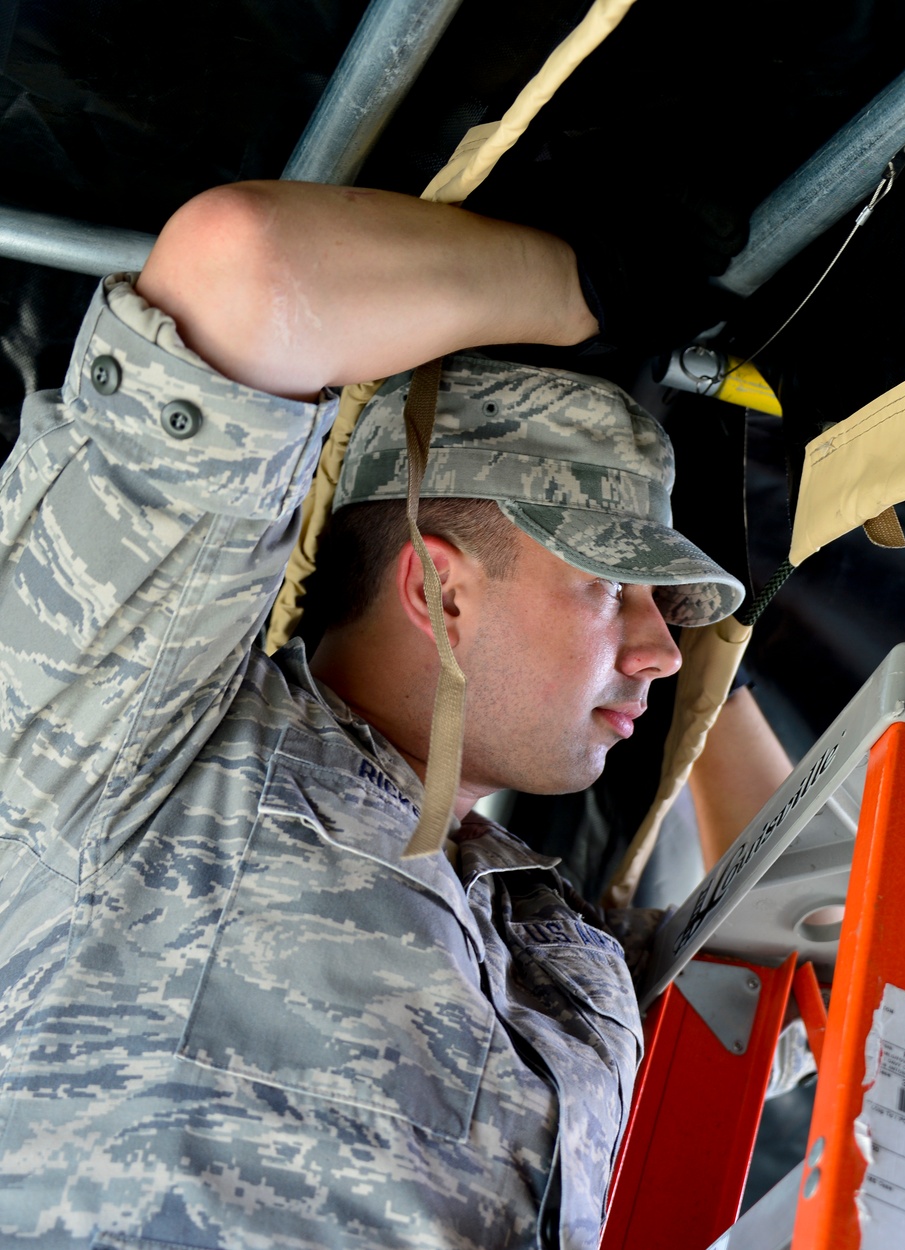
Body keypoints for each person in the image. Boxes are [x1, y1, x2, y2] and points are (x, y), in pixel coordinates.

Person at [0, 181, 785, 1249]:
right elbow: (242, 269)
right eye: (614, 590)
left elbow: (818, 965)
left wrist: (698, 686)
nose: (660, 650)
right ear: (440, 591)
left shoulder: (558, 947)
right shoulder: (143, 750)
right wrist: (589, 295)